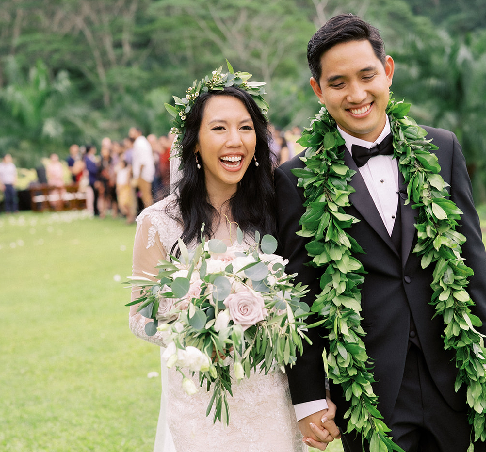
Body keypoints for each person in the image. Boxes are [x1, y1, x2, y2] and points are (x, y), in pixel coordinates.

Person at [275, 14, 486, 452]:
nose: (356, 95)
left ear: (387, 71)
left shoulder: (442, 148)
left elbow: (474, 266)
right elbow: (298, 299)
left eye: (367, 75)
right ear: (318, 90)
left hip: (455, 380)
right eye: (338, 83)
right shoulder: (295, 179)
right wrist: (310, 399)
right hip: (369, 397)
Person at [129, 67, 304, 452]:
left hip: (268, 396)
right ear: (194, 142)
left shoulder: (276, 212)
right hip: (201, 403)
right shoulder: (158, 223)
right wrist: (200, 324)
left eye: (245, 128)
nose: (235, 141)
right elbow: (140, 318)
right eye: (219, 128)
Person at [130, 127, 154, 211]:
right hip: (143, 173)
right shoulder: (140, 142)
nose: (130, 134)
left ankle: (150, 216)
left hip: (143, 174)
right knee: (145, 195)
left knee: (146, 195)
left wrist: (139, 174)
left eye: (132, 132)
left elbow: (142, 161)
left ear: (138, 132)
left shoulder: (140, 143)